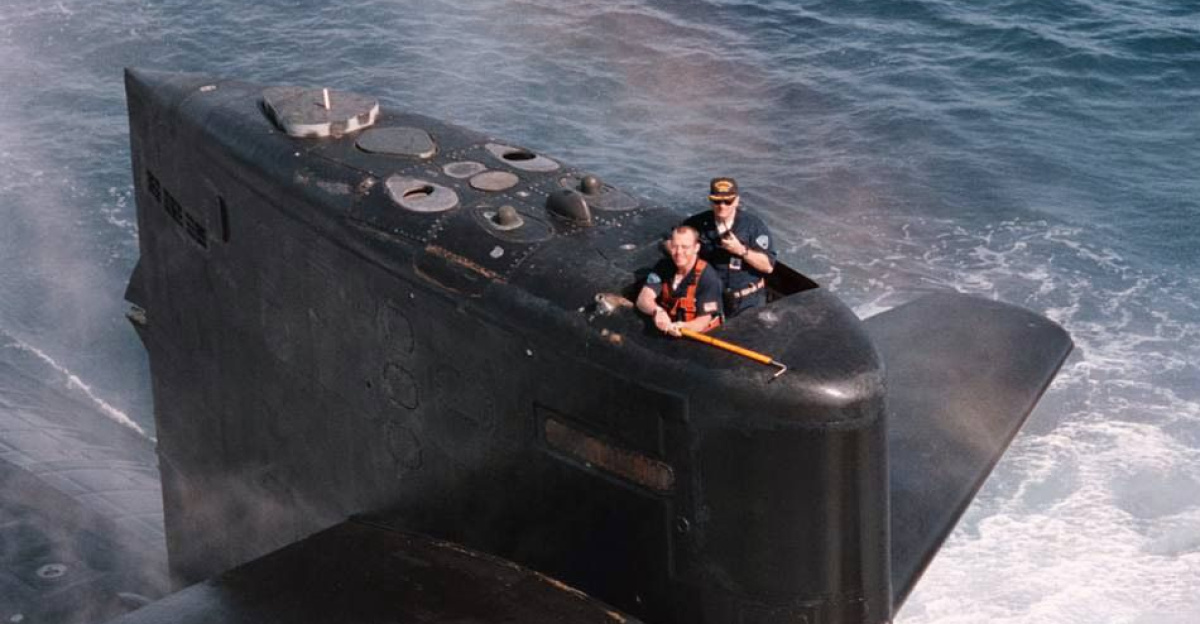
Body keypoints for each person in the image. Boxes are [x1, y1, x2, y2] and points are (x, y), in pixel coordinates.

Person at [682, 177, 776, 317]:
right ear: (710, 201)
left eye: (728, 201)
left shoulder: (753, 226)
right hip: (711, 299)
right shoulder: (696, 224)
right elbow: (672, 244)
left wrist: (741, 250)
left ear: (737, 200)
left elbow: (768, 266)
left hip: (748, 301)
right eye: (717, 201)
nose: (722, 206)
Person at [637, 225, 723, 337]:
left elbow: (703, 320)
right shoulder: (664, 266)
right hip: (667, 328)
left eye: (685, 247)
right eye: (674, 246)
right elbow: (643, 299)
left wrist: (683, 327)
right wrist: (657, 311)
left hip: (696, 335)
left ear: (696, 248)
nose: (679, 252)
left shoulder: (708, 278)